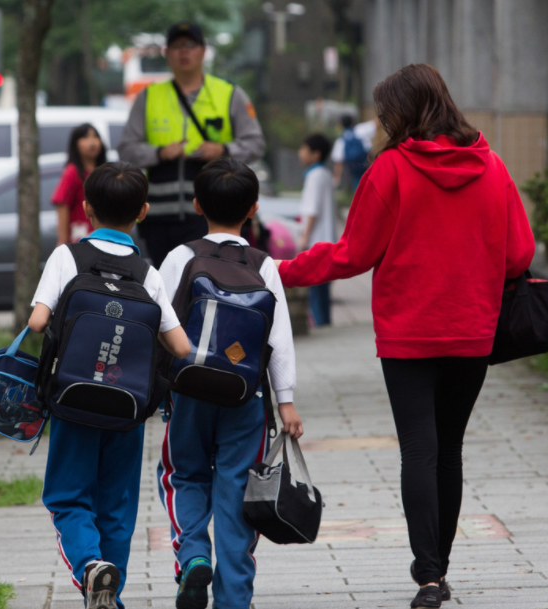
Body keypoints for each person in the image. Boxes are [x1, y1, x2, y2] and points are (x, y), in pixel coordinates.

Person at [275, 64, 535, 608]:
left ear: (401, 112)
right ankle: (439, 564)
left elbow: (353, 255)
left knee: (419, 448)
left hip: (408, 334)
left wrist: (281, 271)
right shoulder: (492, 167)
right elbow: (519, 255)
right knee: (450, 450)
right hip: (472, 329)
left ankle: (429, 577)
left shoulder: (390, 171)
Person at [28, 162, 191, 609]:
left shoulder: (68, 257)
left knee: (68, 497)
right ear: (143, 211)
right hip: (127, 409)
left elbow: (38, 320)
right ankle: (110, 595)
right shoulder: (147, 272)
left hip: (71, 400)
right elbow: (179, 345)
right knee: (116, 508)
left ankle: (88, 567)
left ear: (86, 208)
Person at [156, 159, 303, 609]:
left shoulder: (181, 257)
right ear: (254, 208)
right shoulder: (264, 265)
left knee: (183, 475)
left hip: (189, 393)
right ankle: (234, 597)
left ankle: (194, 554)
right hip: (247, 399)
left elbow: (158, 323)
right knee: (240, 492)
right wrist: (287, 402)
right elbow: (279, 339)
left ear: (196, 204)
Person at [118, 22, 266, 265]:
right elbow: (126, 148)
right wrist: (159, 153)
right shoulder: (148, 96)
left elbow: (256, 144)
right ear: (166, 53)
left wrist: (223, 150)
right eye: (176, 46)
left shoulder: (229, 94)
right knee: (168, 289)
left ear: (203, 51)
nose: (183, 52)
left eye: (190, 45)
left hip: (215, 214)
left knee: (209, 281)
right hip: (159, 218)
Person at [297, 133, 336, 327]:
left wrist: (304, 237)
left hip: (315, 240)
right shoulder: (326, 174)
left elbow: (312, 210)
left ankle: (320, 324)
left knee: (314, 287)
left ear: (316, 154)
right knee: (323, 288)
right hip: (328, 240)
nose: (300, 153)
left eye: (304, 149)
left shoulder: (314, 176)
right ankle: (325, 322)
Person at [52, 123, 107, 245]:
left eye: (95, 137)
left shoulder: (105, 172)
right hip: (80, 238)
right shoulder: (72, 172)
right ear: (75, 144)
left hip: (103, 238)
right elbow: (62, 205)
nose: (92, 142)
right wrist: (62, 241)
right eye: (85, 137)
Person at [331, 114, 377, 193]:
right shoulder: (361, 129)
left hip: (354, 169)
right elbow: (376, 123)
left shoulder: (341, 139)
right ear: (353, 122)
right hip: (369, 164)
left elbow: (339, 162)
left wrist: (337, 178)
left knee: (359, 190)